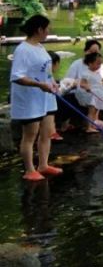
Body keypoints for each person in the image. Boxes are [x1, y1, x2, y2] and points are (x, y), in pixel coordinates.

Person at [10, 14, 62, 181]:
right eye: (47, 28)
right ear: (39, 29)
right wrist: (40, 85)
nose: (49, 31)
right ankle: (29, 169)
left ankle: (43, 165)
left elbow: (46, 71)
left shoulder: (40, 47)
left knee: (47, 132)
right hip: (29, 99)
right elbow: (17, 76)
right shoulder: (22, 49)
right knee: (30, 134)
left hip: (46, 97)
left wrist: (53, 83)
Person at [75, 52, 103, 132]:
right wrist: (87, 87)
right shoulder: (86, 73)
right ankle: (89, 127)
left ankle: (93, 124)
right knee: (91, 112)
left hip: (97, 94)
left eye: (100, 64)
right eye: (97, 64)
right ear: (90, 63)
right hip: (91, 96)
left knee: (95, 111)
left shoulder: (97, 73)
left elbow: (98, 82)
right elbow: (82, 84)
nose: (99, 66)